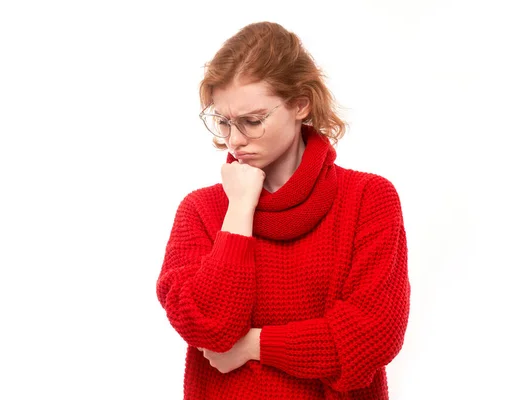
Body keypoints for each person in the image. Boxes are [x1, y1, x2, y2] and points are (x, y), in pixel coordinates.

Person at [156, 21, 410, 399]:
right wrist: (240, 209)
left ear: (300, 103)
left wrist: (254, 345)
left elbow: (372, 336)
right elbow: (209, 328)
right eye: (223, 122)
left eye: (252, 121)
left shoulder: (368, 198)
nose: (235, 139)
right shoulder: (201, 210)